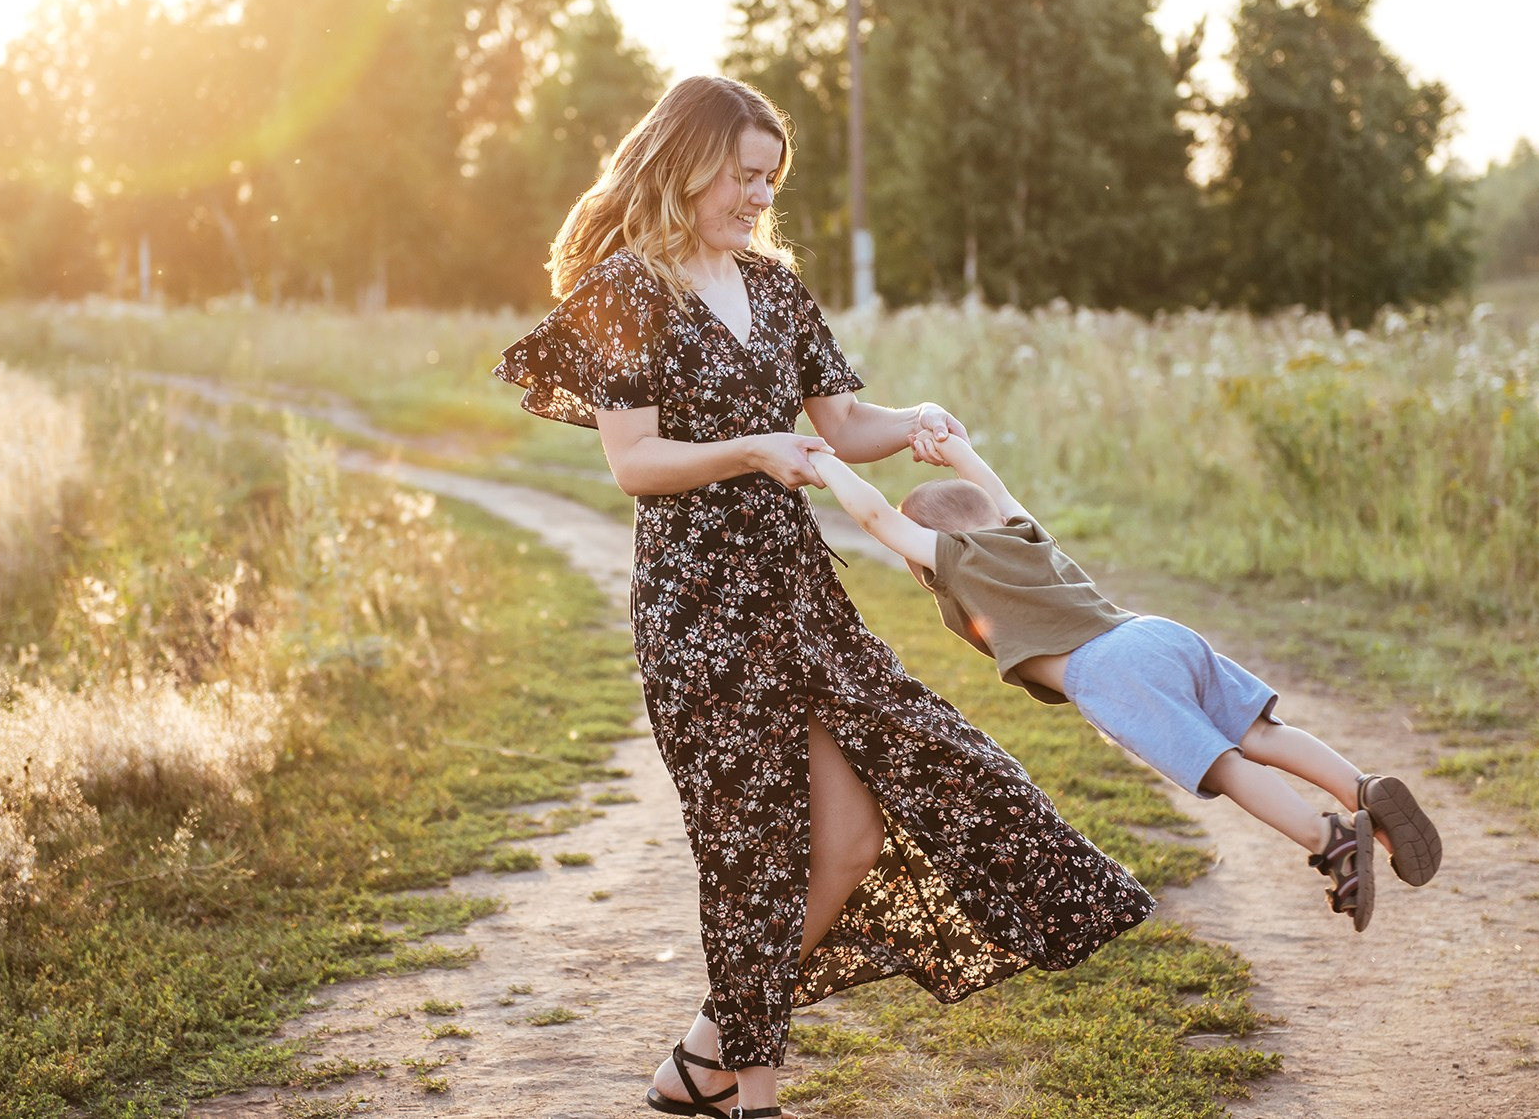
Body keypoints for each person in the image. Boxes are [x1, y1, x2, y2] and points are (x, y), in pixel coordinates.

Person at [494, 76, 1152, 1119]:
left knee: (862, 826)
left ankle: (705, 1052)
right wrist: (754, 447)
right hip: (697, 609)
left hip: (797, 595)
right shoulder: (625, 288)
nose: (756, 197)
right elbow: (634, 461)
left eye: (768, 180)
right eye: (741, 175)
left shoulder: (775, 288)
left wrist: (917, 420)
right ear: (685, 163)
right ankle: (752, 1093)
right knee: (755, 843)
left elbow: (840, 424)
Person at [806, 430, 1443, 934]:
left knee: (1214, 761)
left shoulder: (958, 560)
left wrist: (821, 461)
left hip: (1105, 666)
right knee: (1258, 732)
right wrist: (957, 451)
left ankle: (1327, 838)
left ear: (932, 546)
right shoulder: (1024, 535)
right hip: (1155, 633)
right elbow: (996, 491)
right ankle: (1361, 788)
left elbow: (871, 518)